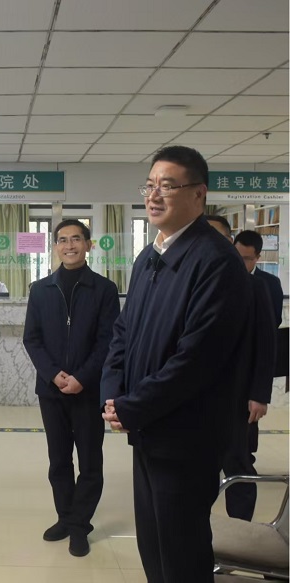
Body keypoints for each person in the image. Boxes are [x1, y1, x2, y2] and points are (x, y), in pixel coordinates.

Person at [101, 146, 253, 583]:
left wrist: (133, 406)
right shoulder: (149, 257)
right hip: (149, 431)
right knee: (154, 547)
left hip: (187, 437)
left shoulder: (216, 262)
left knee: (182, 554)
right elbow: (123, 332)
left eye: (167, 186)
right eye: (150, 186)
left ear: (198, 194)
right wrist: (112, 395)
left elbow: (197, 359)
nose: (154, 196)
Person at [23, 219, 119, 557]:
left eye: (76, 239)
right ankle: (65, 517)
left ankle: (80, 526)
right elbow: (32, 339)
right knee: (59, 460)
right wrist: (54, 375)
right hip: (51, 391)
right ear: (55, 247)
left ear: (89, 245)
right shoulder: (40, 290)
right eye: (62, 240)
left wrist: (82, 377)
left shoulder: (104, 289)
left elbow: (109, 341)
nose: (69, 245)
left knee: (90, 462)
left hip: (89, 391)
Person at [207, 218, 276, 521]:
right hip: (197, 397)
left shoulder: (255, 286)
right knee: (198, 468)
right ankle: (197, 534)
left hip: (238, 396)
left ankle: (241, 529)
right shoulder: (192, 282)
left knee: (239, 463)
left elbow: (266, 342)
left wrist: (259, 394)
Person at [234, 229, 284, 327]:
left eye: (247, 259)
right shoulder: (223, 278)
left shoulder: (271, 283)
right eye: (237, 256)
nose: (240, 262)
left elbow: (275, 319)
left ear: (257, 257)